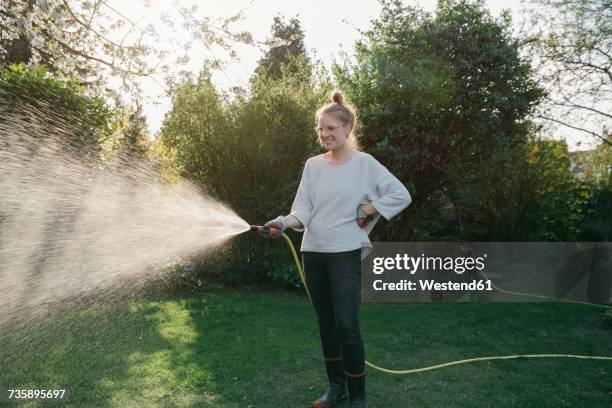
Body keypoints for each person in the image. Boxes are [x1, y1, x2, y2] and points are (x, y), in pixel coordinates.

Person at [265, 90, 412, 408]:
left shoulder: (366, 164)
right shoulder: (313, 166)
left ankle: (358, 396)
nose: (324, 134)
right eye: (320, 129)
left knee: (347, 323)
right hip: (313, 251)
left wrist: (371, 209)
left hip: (344, 251)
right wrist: (282, 222)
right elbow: (302, 211)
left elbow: (401, 195)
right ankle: (336, 387)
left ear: (347, 128)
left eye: (331, 128)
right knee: (326, 322)